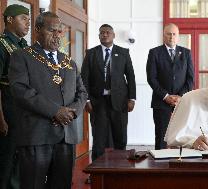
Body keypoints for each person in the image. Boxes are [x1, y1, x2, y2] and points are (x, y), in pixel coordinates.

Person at [8, 12, 87, 189]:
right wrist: (55, 111)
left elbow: (82, 93)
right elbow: (20, 90)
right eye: (52, 30)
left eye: (60, 31)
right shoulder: (22, 56)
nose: (57, 35)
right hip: (37, 135)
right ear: (37, 30)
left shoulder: (69, 62)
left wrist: (71, 112)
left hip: (66, 136)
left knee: (62, 185)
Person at [81, 24, 136, 161]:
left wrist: (132, 99)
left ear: (113, 35)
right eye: (101, 33)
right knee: (98, 139)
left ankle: (120, 168)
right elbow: (84, 79)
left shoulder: (123, 52)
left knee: (120, 137)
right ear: (99, 35)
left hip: (119, 101)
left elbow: (130, 76)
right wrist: (86, 100)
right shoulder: (91, 53)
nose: (104, 35)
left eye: (107, 32)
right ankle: (96, 172)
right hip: (98, 102)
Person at [146, 23, 194, 150]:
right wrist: (166, 96)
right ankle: (160, 168)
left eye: (174, 34)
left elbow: (190, 79)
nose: (171, 37)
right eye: (168, 34)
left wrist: (179, 97)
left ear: (178, 36)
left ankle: (180, 166)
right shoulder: (154, 53)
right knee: (162, 137)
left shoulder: (186, 53)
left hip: (182, 102)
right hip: (161, 102)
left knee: (182, 136)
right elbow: (151, 78)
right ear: (164, 35)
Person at [0, 4, 30, 189]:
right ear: (10, 20)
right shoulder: (2, 45)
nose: (28, 23)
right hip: (7, 109)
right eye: (23, 18)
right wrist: (1, 119)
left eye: (28, 19)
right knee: (6, 160)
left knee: (20, 158)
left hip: (23, 111)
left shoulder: (23, 45)